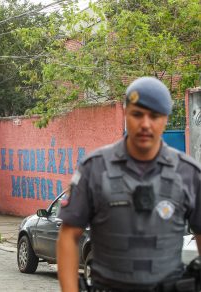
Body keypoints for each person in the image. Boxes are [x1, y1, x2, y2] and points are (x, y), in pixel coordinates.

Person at [57, 76, 201, 292]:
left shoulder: (188, 173)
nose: (145, 124)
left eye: (154, 116)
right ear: (125, 113)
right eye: (137, 114)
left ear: (166, 119)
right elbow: (68, 235)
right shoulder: (93, 169)